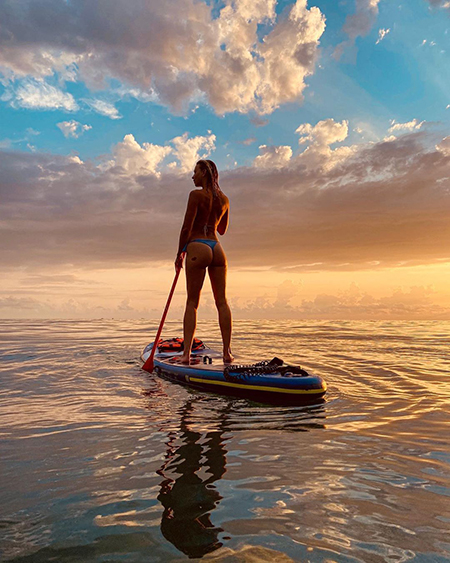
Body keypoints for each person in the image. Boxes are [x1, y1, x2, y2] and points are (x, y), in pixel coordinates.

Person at [175, 159, 233, 365]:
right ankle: (227, 352)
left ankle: (186, 354)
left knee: (192, 302)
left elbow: (186, 228)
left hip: (197, 245)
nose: (193, 176)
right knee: (222, 302)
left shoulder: (195, 195)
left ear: (204, 174)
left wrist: (179, 253)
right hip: (217, 249)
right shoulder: (225, 199)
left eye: (195, 172)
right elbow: (222, 229)